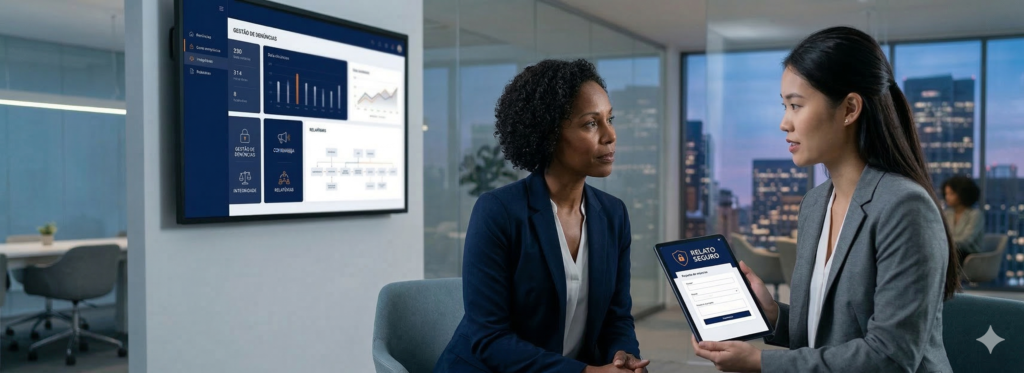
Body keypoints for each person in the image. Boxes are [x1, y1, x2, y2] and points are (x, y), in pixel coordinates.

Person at [691, 26, 961, 372]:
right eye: (784, 105)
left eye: (795, 105)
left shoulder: (904, 207)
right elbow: (827, 335)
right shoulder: (815, 205)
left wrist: (762, 364)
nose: (784, 123)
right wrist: (772, 313)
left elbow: (890, 357)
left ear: (849, 108)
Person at [434, 59, 649, 373]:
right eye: (591, 123)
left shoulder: (613, 214)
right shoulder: (498, 211)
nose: (610, 135)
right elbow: (490, 339)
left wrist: (624, 358)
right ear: (549, 133)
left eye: (610, 119)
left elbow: (617, 317)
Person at [942, 175, 985, 263]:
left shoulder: (975, 215)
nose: (947, 197)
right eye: (946, 194)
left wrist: (943, 243)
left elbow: (966, 241)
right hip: (950, 252)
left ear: (962, 194)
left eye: (951, 194)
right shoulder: (947, 214)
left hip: (970, 257)